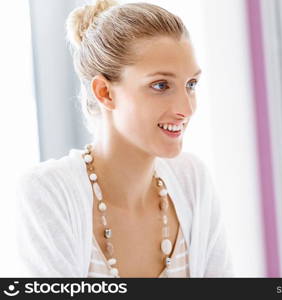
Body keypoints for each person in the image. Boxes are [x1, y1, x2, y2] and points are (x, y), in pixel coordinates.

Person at [15, 0, 234, 278]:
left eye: (191, 84)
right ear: (105, 93)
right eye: (160, 85)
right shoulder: (49, 192)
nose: (186, 109)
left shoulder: (192, 182)